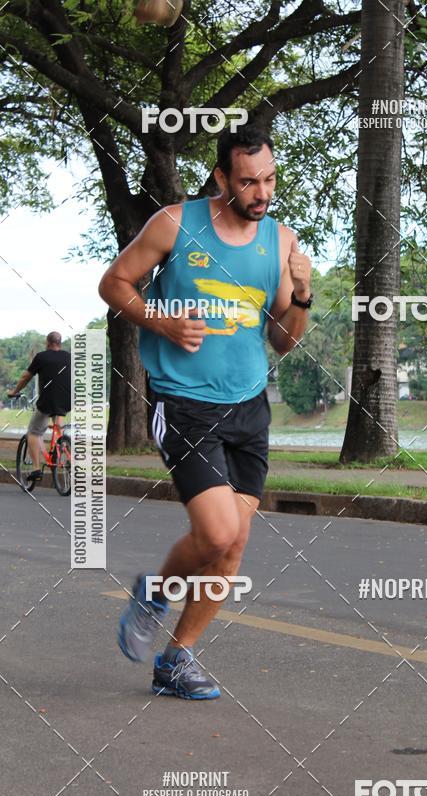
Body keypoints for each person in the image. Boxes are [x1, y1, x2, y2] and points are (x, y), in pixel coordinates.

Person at [99, 123, 312, 700]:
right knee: (216, 531)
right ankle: (157, 593)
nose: (261, 192)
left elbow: (285, 341)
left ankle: (176, 659)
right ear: (222, 178)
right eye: (248, 181)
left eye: (268, 179)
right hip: (185, 403)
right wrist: (160, 320)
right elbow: (114, 282)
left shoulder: (281, 244)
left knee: (232, 545)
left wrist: (304, 294)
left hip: (248, 407)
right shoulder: (175, 223)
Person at [8, 332, 71, 488]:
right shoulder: (69, 357)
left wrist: (14, 391)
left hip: (47, 401)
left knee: (34, 432)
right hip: (66, 401)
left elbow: (25, 377)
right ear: (60, 343)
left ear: (47, 342)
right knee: (57, 425)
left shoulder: (41, 357)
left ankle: (36, 469)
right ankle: (61, 446)